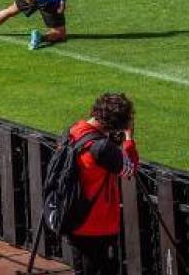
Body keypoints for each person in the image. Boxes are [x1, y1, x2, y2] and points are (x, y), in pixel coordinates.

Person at [64, 93, 139, 275]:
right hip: (97, 224)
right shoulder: (102, 148)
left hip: (74, 217)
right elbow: (130, 169)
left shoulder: (74, 132)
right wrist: (128, 139)